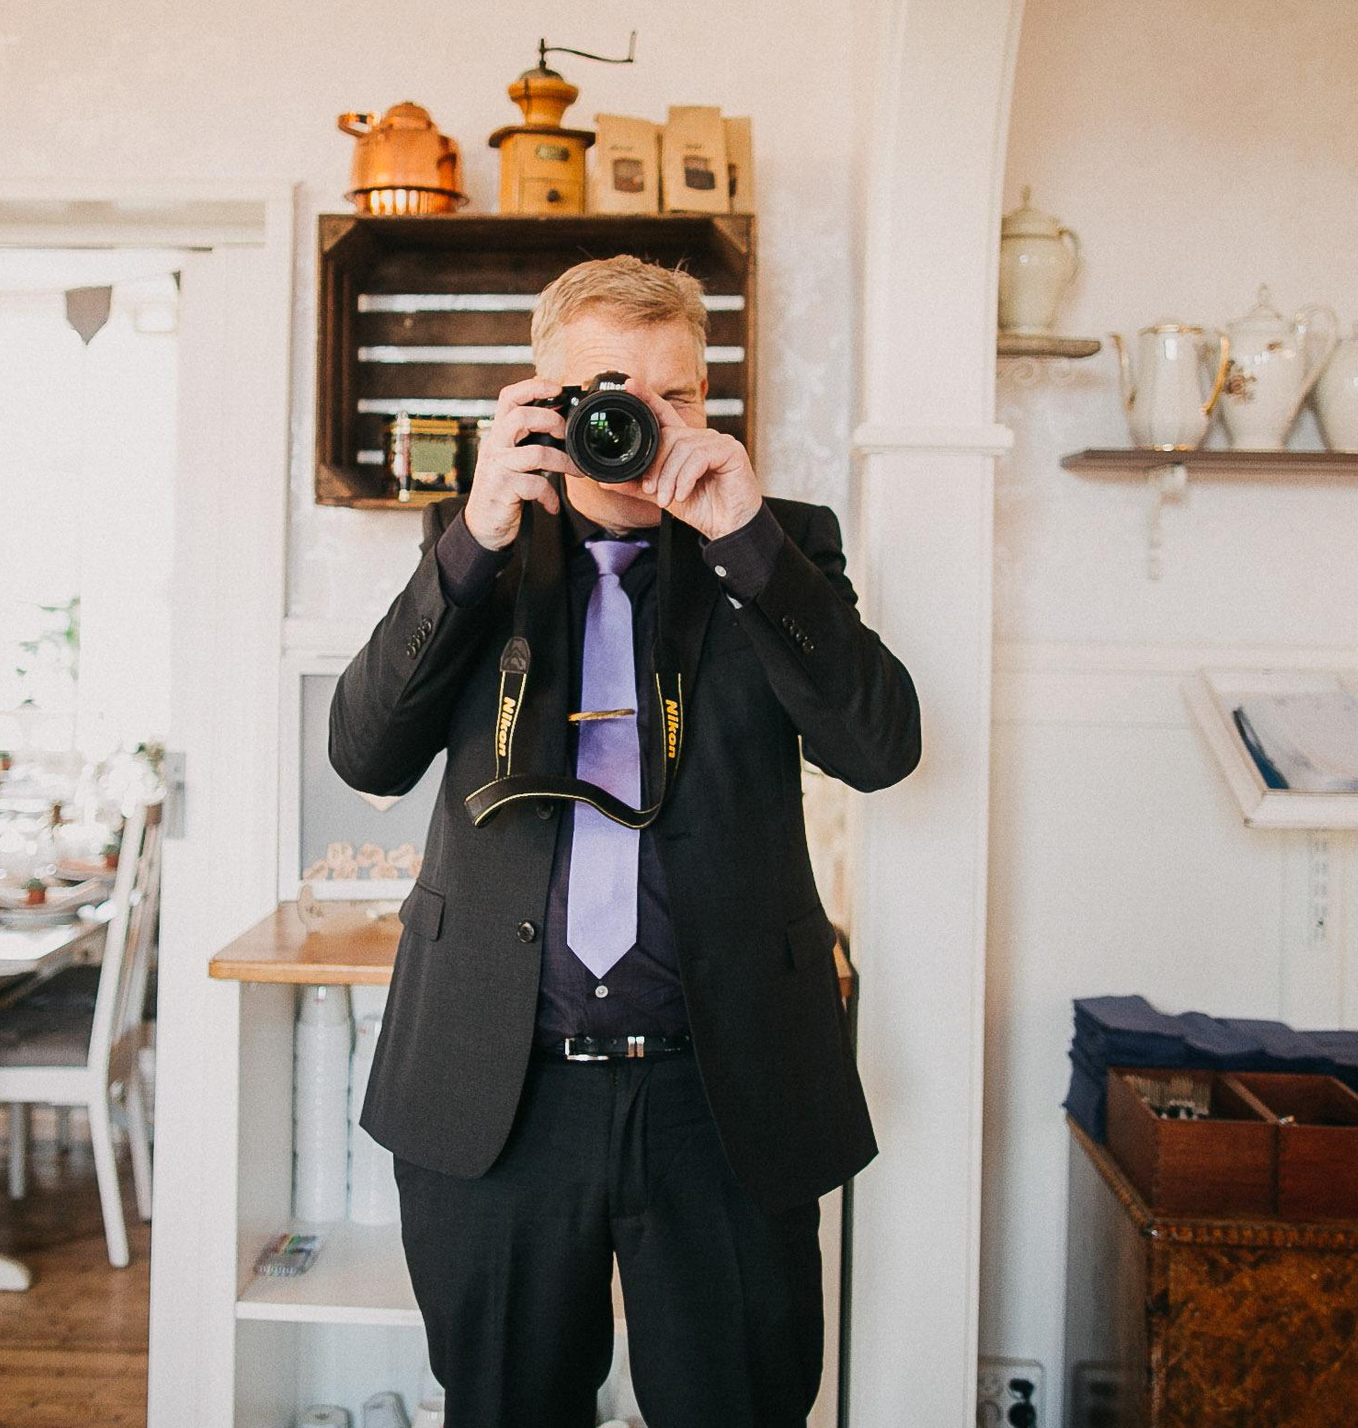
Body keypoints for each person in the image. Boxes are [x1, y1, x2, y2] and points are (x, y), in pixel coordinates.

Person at [331, 257, 922, 1427]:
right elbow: (366, 756)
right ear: (542, 404)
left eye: (680, 397)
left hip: (723, 1092)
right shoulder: (476, 546)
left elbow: (879, 745)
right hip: (498, 1088)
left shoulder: (775, 542)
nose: (641, 423)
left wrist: (746, 543)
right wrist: (474, 540)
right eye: (608, 389)